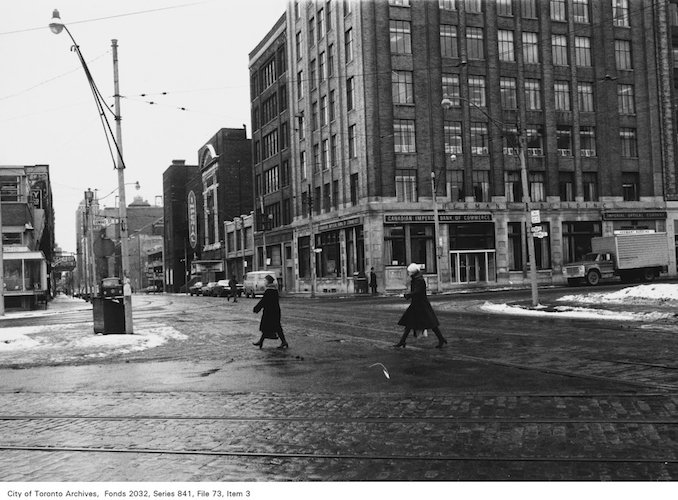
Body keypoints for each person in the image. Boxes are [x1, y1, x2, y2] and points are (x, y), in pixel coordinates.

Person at [394, 263, 447, 349]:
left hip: (420, 305)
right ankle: (402, 341)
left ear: (413, 272)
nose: (408, 273)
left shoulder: (419, 280)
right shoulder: (416, 279)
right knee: (411, 323)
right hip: (418, 304)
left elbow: (417, 292)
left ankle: (441, 339)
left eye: (409, 272)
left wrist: (408, 295)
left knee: (429, 323)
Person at [252, 274, 288, 349]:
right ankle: (283, 342)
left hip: (270, 312)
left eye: (265, 280)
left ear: (268, 282)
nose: (264, 282)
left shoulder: (269, 291)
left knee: (268, 327)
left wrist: (256, 308)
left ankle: (261, 342)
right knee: (274, 327)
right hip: (274, 311)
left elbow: (263, 301)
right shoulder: (273, 290)